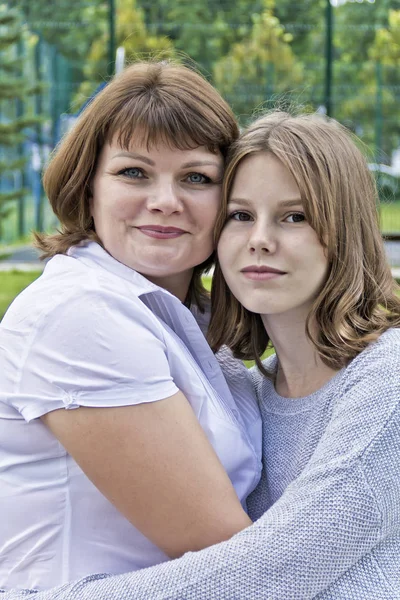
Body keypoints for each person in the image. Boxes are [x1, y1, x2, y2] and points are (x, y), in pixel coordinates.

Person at [3, 109, 399, 600]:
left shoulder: (387, 377)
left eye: (294, 217)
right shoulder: (250, 387)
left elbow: (285, 563)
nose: (260, 240)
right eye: (240, 216)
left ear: (345, 231)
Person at [0, 61, 263, 591]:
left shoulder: (192, 314)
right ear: (88, 188)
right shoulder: (80, 315)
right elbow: (230, 560)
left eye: (196, 177)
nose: (165, 201)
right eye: (133, 172)